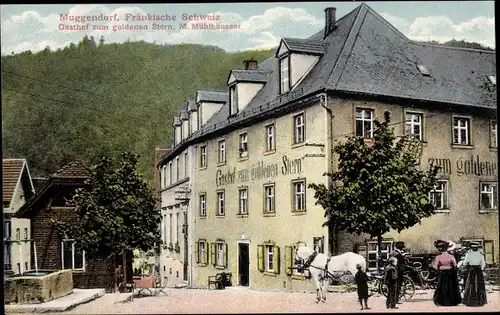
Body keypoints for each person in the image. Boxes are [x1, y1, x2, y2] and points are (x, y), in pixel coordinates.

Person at [431, 240, 462, 306]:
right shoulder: (451, 256)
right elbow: (455, 265)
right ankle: (452, 301)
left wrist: (432, 265)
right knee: (451, 287)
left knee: (442, 287)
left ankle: (442, 301)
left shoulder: (438, 257)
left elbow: (436, 267)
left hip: (442, 273)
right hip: (450, 273)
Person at [462, 242, 487, 307]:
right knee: (479, 285)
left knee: (471, 284)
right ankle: (479, 301)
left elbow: (464, 263)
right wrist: (480, 269)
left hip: (471, 270)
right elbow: (483, 264)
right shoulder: (481, 255)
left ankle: (470, 301)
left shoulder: (469, 254)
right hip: (478, 270)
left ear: (472, 248)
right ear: (477, 248)